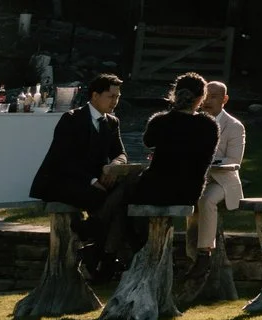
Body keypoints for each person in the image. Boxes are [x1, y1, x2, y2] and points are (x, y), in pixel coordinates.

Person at [99, 73, 219, 265]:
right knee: (126, 193)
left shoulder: (161, 121)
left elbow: (148, 142)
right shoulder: (209, 125)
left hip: (156, 187)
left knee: (123, 195)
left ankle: (115, 249)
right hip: (189, 190)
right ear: (200, 97)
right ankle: (111, 252)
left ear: (174, 94)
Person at [30, 72, 128, 262]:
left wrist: (114, 166)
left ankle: (95, 242)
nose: (115, 101)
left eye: (117, 97)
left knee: (126, 192)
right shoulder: (72, 119)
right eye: (111, 96)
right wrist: (92, 181)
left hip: (95, 180)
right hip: (63, 180)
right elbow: (62, 159)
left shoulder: (112, 122)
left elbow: (121, 153)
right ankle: (101, 251)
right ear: (95, 95)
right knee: (106, 200)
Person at [188, 79, 245, 281]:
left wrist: (207, 161)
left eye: (214, 97)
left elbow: (234, 160)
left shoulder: (234, 126)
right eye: (206, 96)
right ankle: (190, 254)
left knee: (206, 200)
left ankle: (204, 253)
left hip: (223, 181)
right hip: (198, 178)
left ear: (225, 99)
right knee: (189, 199)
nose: (208, 101)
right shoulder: (194, 121)